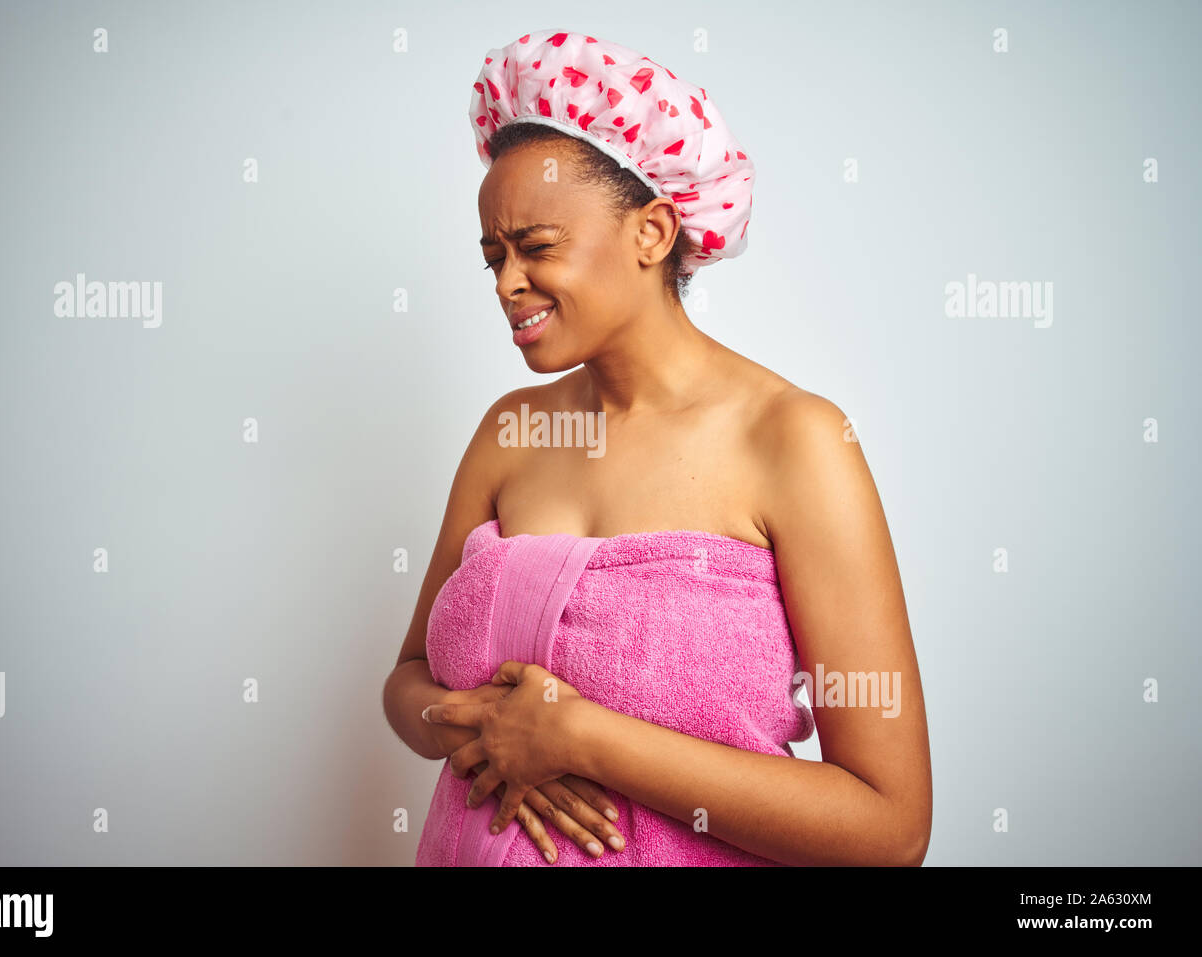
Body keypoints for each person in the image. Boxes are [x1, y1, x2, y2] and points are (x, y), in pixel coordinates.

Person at [382, 28, 932, 866]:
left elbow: (889, 828)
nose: (505, 282)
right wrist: (482, 725)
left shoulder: (795, 441)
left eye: (536, 246)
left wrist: (577, 738)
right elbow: (409, 678)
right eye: (493, 255)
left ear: (653, 231)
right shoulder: (509, 431)